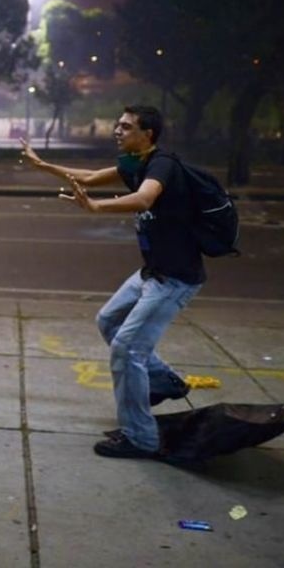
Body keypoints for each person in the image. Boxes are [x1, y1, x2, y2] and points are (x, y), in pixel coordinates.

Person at [21, 105, 200, 460]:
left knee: (127, 349)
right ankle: (165, 382)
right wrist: (43, 166)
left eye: (126, 126)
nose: (117, 131)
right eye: (117, 125)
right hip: (152, 272)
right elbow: (87, 178)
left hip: (174, 278)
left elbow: (145, 198)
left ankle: (141, 439)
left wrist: (98, 208)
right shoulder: (135, 163)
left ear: (147, 134)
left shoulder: (161, 164)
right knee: (108, 321)